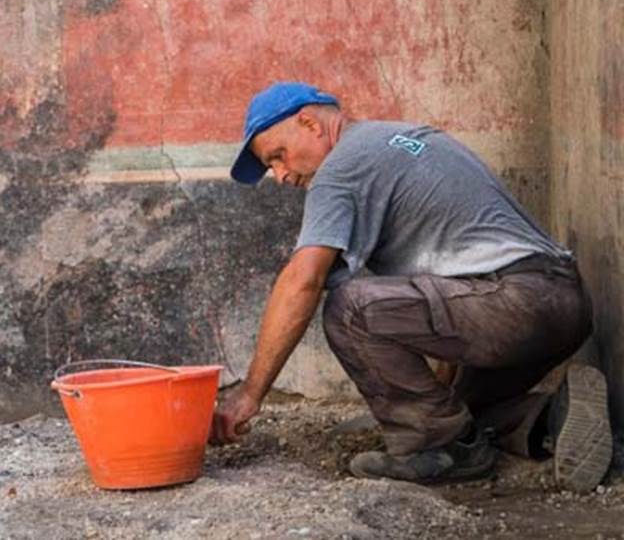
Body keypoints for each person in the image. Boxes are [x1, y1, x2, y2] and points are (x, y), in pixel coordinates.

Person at [211, 81, 613, 491]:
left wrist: (249, 394)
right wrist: (436, 398)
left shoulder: (340, 168)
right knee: (454, 412)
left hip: (515, 304)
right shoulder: (404, 137)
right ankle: (552, 416)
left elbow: (302, 280)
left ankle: (439, 449)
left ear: (310, 124)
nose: (280, 175)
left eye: (277, 156)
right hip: (564, 304)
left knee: (351, 309)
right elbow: (452, 279)